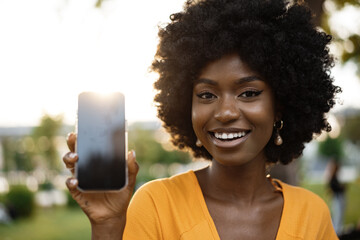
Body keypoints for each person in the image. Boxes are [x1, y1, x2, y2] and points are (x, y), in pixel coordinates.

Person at [63, 0, 341, 239]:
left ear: (279, 106)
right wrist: (107, 224)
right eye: (206, 95)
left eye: (248, 92)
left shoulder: (312, 214)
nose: (225, 112)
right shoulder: (157, 205)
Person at [328, 160, 346, 235]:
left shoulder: (335, 177)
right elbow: (333, 188)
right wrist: (341, 187)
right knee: (337, 215)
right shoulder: (332, 178)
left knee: (339, 215)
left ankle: (338, 231)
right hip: (336, 198)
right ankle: (337, 232)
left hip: (338, 198)